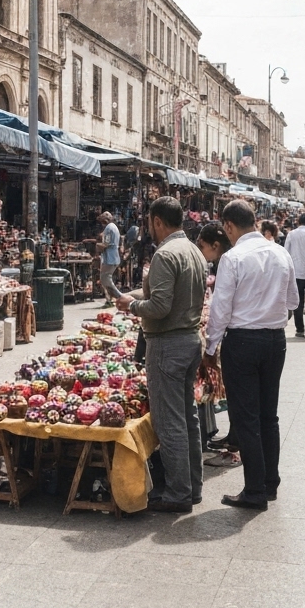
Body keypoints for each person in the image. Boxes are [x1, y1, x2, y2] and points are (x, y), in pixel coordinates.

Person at [204, 199, 297, 510]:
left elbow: (220, 309)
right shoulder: (281, 252)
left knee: (246, 418)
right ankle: (270, 483)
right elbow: (294, 301)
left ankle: (255, 490)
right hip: (275, 342)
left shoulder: (232, 259)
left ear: (228, 226)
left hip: (242, 342)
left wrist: (210, 347)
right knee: (269, 416)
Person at [116, 197, 208, 513]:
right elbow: (168, 293)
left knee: (169, 421)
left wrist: (133, 305)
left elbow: (160, 306)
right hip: (190, 340)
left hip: (168, 344)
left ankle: (178, 492)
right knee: (187, 417)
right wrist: (138, 296)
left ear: (157, 221)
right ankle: (193, 487)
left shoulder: (165, 254)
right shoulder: (193, 250)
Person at [196, 223, 240, 468]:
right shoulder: (230, 260)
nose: (201, 251)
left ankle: (235, 449)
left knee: (236, 393)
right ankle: (234, 439)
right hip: (255, 335)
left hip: (235, 335)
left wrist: (211, 347)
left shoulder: (227, 262)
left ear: (215, 245)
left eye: (202, 246)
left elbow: (221, 307)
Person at [96, 211, 122, 306]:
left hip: (110, 258)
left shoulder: (108, 228)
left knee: (105, 279)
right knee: (106, 279)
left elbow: (105, 244)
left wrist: (96, 245)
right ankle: (110, 299)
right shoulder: (114, 227)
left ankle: (119, 297)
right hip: (114, 256)